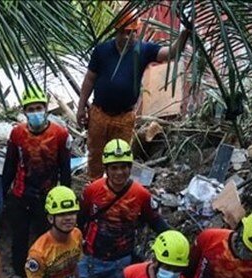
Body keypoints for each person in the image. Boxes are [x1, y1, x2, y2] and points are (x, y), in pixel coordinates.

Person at [68, 138, 169, 278]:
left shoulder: (140, 194)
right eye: (114, 168)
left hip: (120, 261)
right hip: (91, 256)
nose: (119, 173)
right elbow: (80, 220)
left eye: (124, 167)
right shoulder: (92, 191)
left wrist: (173, 241)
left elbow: (154, 221)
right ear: (107, 168)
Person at [77, 11, 191, 179]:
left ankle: (117, 191)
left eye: (131, 32)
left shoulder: (143, 50)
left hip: (124, 117)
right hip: (99, 113)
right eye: (123, 32)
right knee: (95, 155)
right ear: (117, 31)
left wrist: (185, 33)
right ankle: (95, 189)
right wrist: (81, 108)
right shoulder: (101, 51)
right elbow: (89, 80)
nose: (127, 36)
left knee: (120, 156)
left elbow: (171, 52)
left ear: (136, 32)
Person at [1, 85, 72, 278]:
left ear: (46, 109)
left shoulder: (60, 134)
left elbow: (65, 170)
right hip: (21, 193)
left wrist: (64, 201)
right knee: (20, 236)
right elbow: (9, 166)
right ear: (24, 111)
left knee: (46, 236)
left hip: (47, 196)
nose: (35, 112)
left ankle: (44, 273)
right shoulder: (17, 134)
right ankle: (19, 273)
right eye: (30, 109)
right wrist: (2, 193)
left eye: (38, 107)